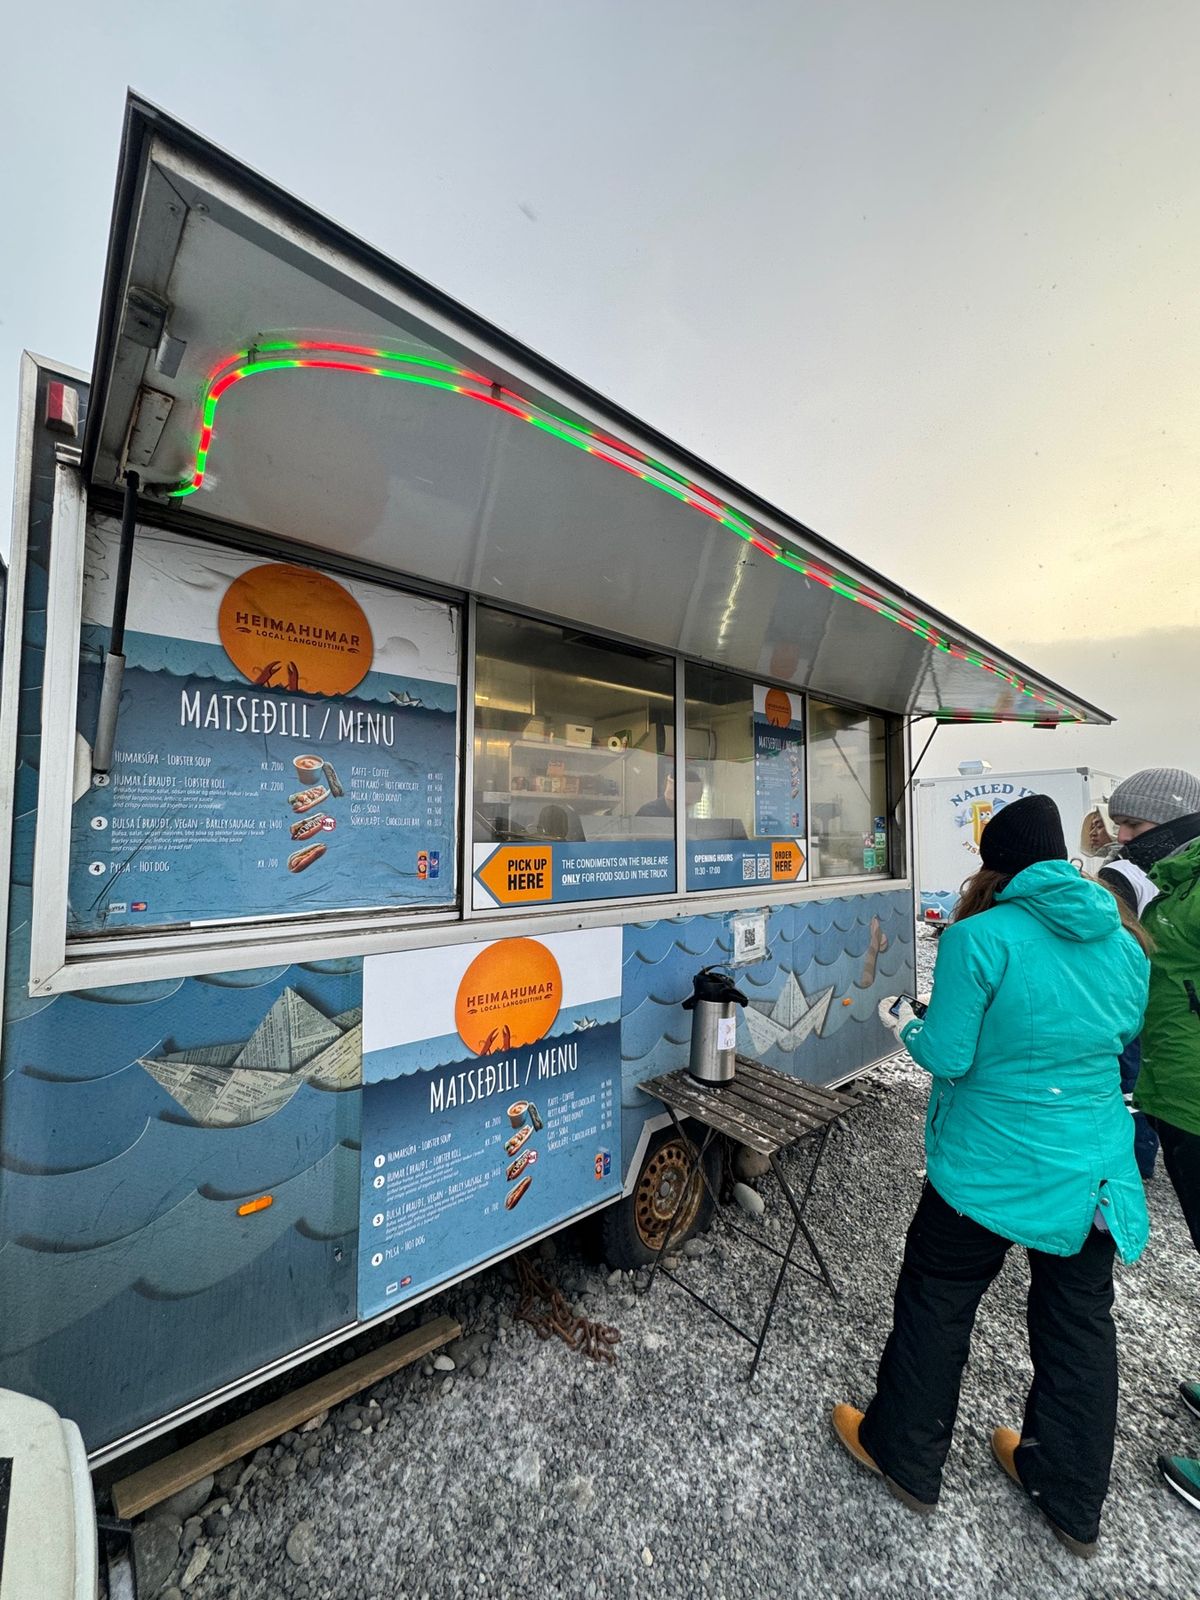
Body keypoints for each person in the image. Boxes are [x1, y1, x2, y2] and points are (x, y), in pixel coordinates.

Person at [831, 794, 1151, 1559]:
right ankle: (1069, 1496)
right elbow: (1117, 1034)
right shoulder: (1126, 943)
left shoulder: (978, 937)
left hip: (985, 1166)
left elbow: (949, 1055)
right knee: (1079, 1325)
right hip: (1092, 1175)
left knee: (937, 1302)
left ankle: (904, 1454)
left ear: (995, 867)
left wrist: (903, 1020)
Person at [1100, 768, 1200, 1510]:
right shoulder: (1177, 886)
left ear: (1169, 822)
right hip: (1177, 1095)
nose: (1122, 839)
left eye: (1130, 827)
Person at [637, 763, 703, 816]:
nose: (686, 808)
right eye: (686, 804)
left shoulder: (680, 814)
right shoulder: (649, 813)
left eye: (690, 804)